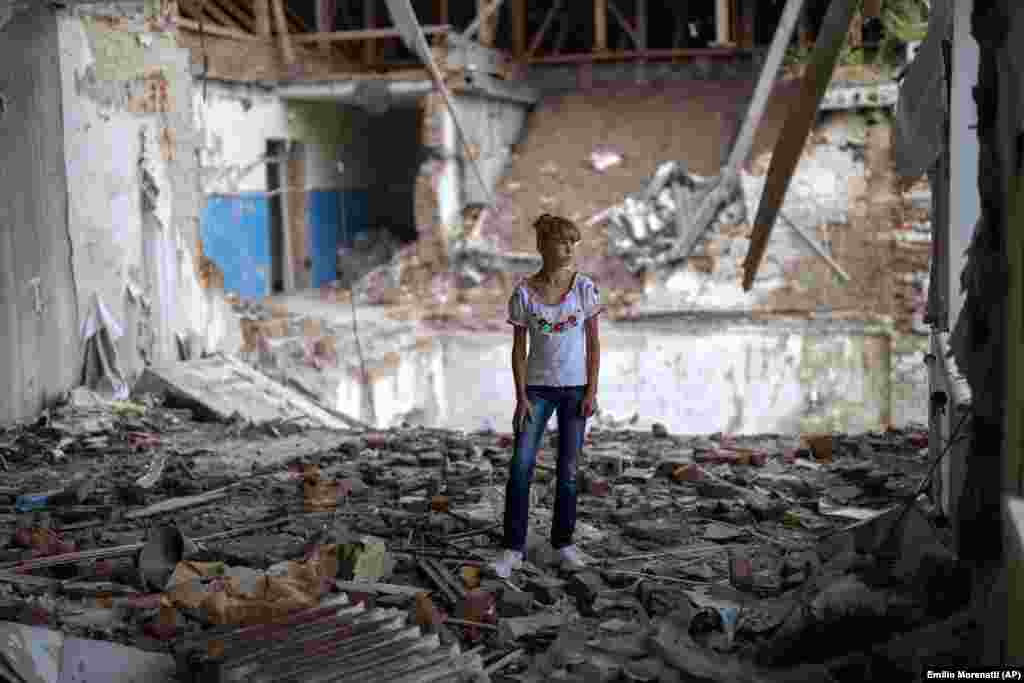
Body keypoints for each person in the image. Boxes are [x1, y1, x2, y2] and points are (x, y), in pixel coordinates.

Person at [491, 214, 604, 578]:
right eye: (561, 241)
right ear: (542, 246)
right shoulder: (524, 294)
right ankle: (512, 548)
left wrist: (592, 390)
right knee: (520, 467)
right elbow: (517, 349)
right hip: (536, 391)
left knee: (568, 470)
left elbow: (594, 344)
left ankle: (563, 543)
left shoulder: (585, 289)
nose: (569, 248)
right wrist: (521, 396)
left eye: (573, 241)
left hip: (575, 391)